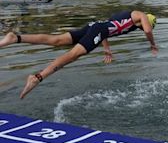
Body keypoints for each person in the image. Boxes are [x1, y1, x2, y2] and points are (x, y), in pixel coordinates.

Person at [0, 10, 157, 99]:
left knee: (57, 40)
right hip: (98, 30)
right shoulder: (139, 14)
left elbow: (105, 27)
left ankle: (16, 38)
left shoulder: (125, 18)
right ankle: (37, 78)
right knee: (72, 55)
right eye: (143, 26)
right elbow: (148, 31)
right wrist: (153, 44)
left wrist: (107, 48)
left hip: (94, 27)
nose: (142, 28)